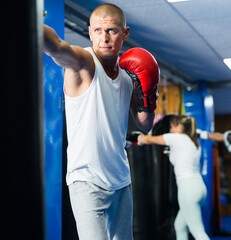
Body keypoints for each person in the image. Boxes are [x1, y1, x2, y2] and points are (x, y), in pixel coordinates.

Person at [43, 3, 158, 239]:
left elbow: (145, 124)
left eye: (112, 31)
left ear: (125, 33)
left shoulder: (128, 76)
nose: (104, 38)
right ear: (90, 32)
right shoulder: (84, 63)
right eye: (97, 30)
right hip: (86, 182)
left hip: (121, 180)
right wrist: (28, 18)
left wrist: (148, 93)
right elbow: (56, 47)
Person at [136, 115, 210, 240]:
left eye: (172, 127)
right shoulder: (194, 142)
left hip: (187, 189)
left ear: (180, 126)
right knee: (179, 226)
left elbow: (149, 140)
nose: (170, 130)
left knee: (199, 232)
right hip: (200, 188)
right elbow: (182, 159)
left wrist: (136, 137)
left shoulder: (176, 138)